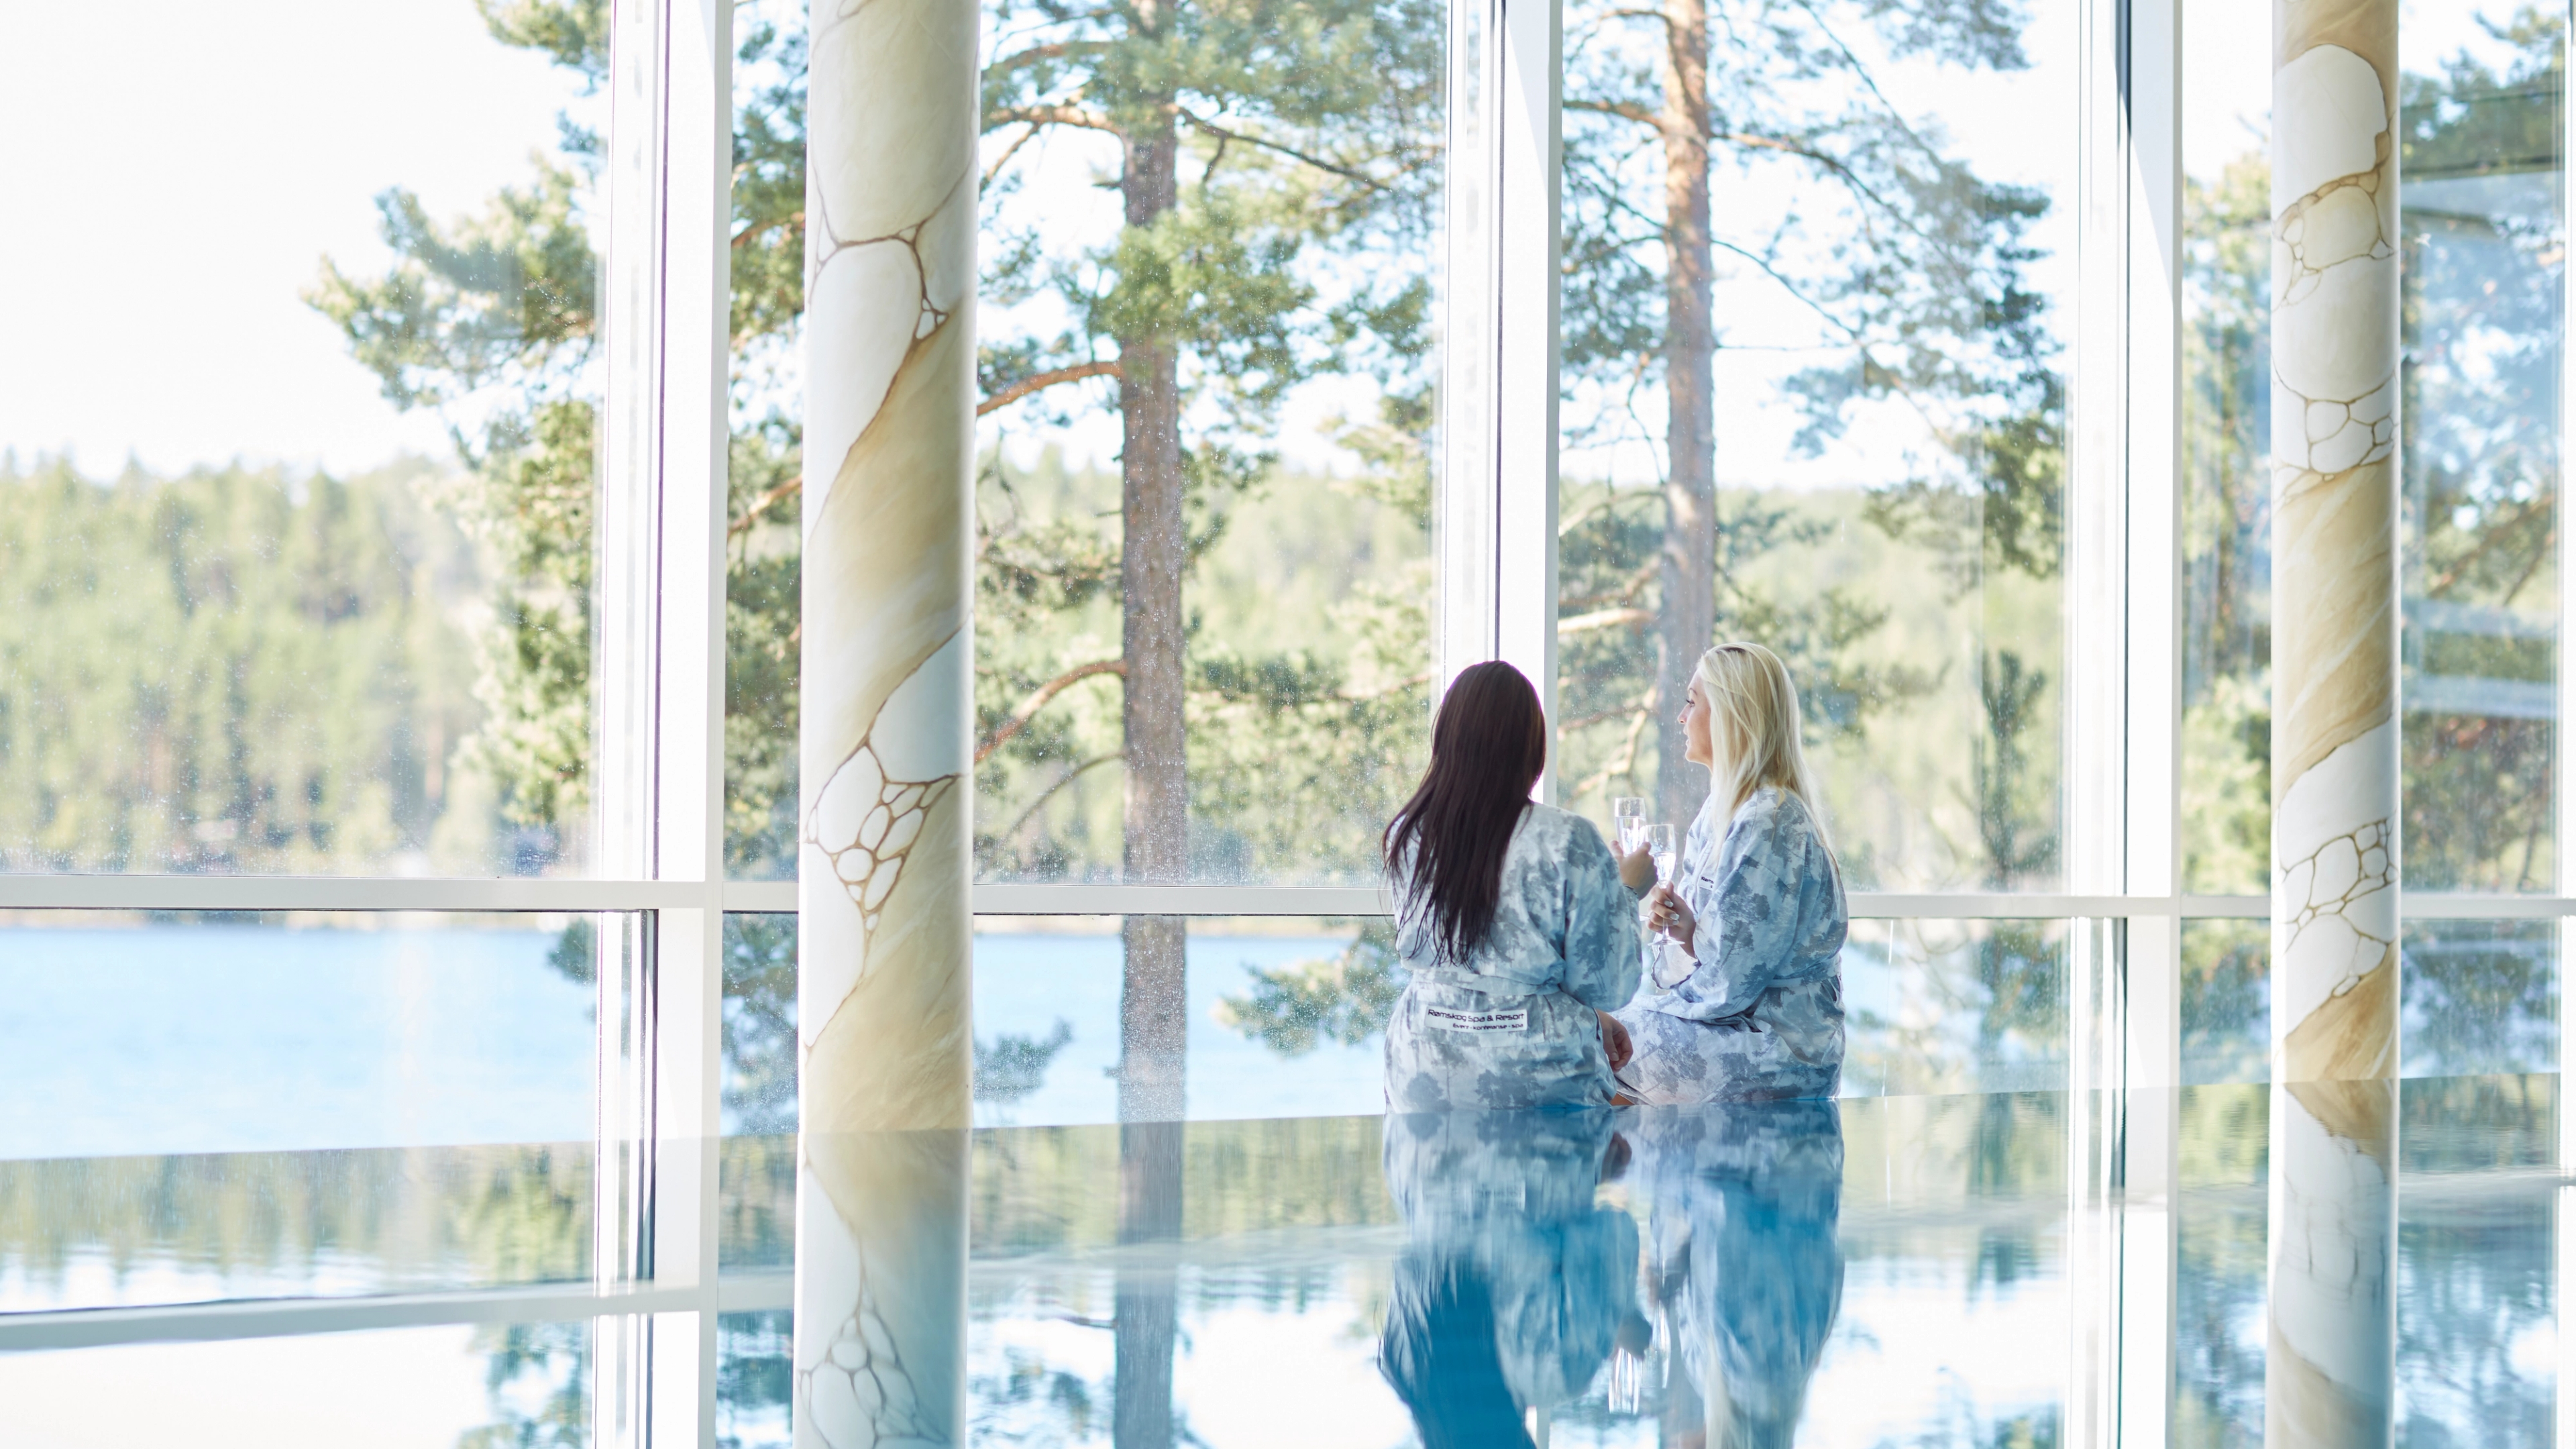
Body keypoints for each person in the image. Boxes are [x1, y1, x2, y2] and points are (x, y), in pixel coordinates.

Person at [1382, 661, 1658, 1112]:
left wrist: (1591, 1020)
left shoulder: (1409, 833)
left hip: (1422, 1063)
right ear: (1531, 747)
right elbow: (1608, 984)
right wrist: (1626, 894)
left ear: (1446, 740)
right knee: (1644, 1132)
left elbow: (1466, 967)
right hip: (1535, 1072)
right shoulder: (1568, 839)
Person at [1614, 643, 1847, 1103]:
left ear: (1730, 714)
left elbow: (1728, 984)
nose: (1681, 718)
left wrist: (1649, 1004)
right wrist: (1686, 932)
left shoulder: (1770, 821)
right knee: (1594, 1031)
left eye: (1692, 701)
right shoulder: (1724, 814)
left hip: (1777, 1051)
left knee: (1587, 1044)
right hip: (1738, 1030)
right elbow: (1709, 962)